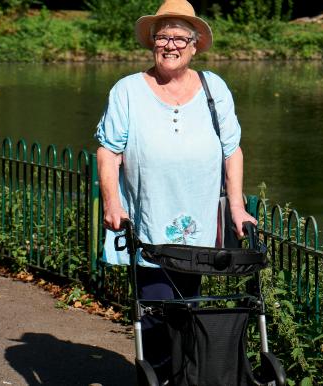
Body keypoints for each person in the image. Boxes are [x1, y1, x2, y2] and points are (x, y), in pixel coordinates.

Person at [94, 0, 257, 382]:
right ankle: (163, 376)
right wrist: (112, 203)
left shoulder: (214, 87)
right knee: (158, 313)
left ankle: (185, 376)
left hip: (200, 228)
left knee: (193, 312)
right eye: (163, 36)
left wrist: (237, 206)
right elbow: (109, 151)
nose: (171, 45)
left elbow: (231, 149)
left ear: (195, 44)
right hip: (149, 224)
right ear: (152, 42)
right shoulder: (128, 91)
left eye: (180, 37)